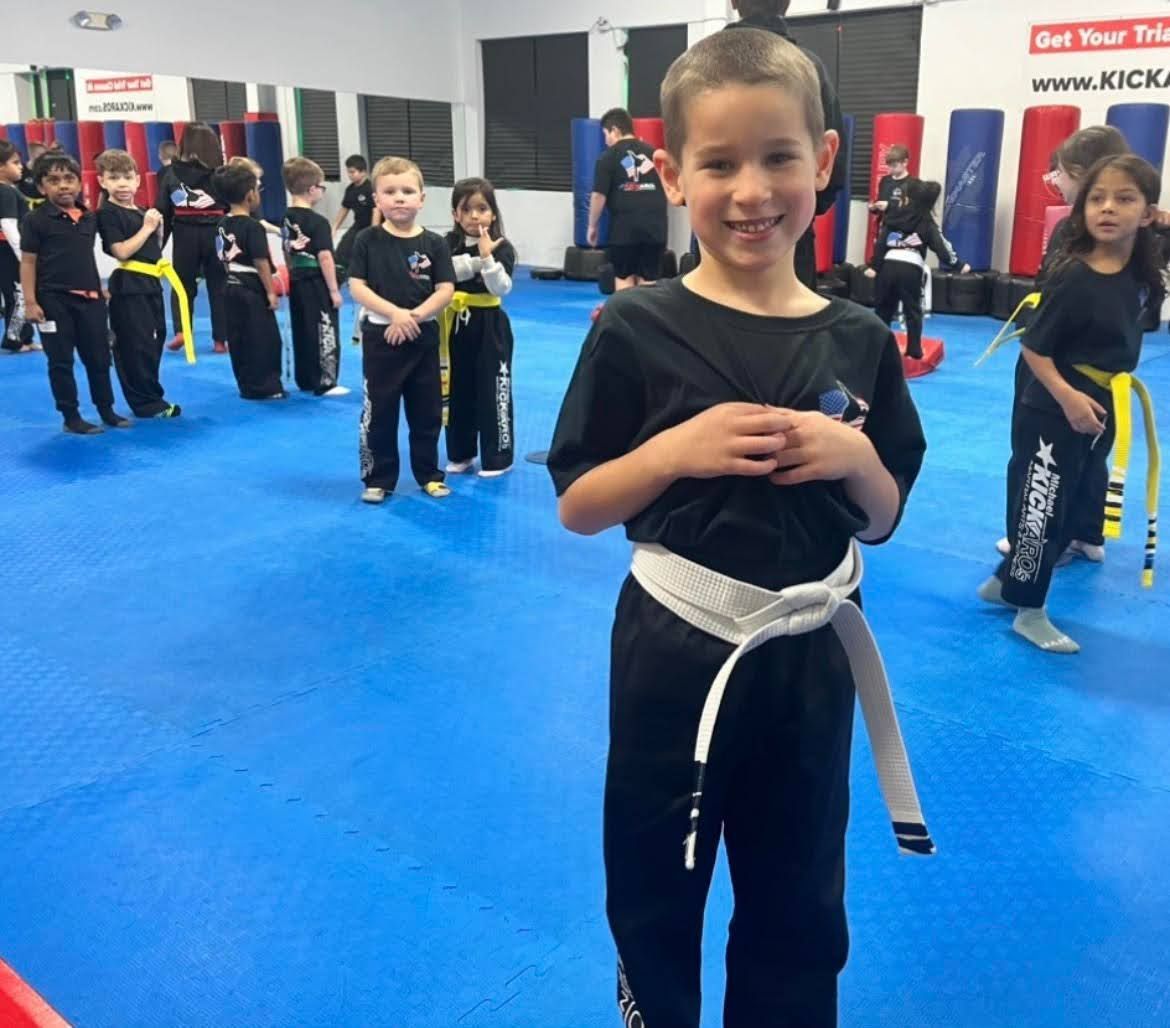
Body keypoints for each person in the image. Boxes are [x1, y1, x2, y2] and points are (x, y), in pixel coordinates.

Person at [548, 29, 930, 1028]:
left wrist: (855, 459)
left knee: (801, 897)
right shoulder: (637, 329)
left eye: (778, 157)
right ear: (673, 173)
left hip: (811, 658)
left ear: (826, 163)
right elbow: (580, 503)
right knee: (654, 884)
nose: (752, 189)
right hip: (677, 649)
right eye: (719, 162)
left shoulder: (856, 335)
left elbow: (884, 514)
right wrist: (678, 449)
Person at [978, 154, 1165, 653]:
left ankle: (1005, 582)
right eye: (1097, 198)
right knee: (1042, 506)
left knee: (1078, 498)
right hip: (1054, 402)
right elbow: (1034, 348)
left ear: (1148, 214)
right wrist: (1069, 400)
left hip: (1101, 399)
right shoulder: (1075, 276)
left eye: (1124, 199)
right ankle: (1030, 610)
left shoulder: (1141, 271)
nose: (1107, 208)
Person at [996, 125, 1132, 565]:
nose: (1057, 180)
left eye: (1062, 172)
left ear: (1081, 173)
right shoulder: (1136, 236)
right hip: (1108, 373)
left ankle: (1031, 546)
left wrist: (1059, 390)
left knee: (1036, 461)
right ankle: (1086, 533)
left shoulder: (1074, 232)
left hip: (1056, 367)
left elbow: (1041, 335)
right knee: (1091, 454)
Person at [349, 157, 455, 504]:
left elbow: (445, 289)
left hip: (422, 336)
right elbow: (357, 287)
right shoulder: (367, 240)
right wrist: (395, 314)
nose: (399, 198)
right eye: (390, 191)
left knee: (426, 412)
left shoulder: (435, 244)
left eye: (407, 191)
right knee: (381, 412)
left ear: (421, 198)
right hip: (382, 338)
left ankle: (429, 474)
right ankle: (379, 478)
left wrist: (414, 316)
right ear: (376, 199)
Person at [725, 0, 847, 289]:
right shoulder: (810, 69)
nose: (752, 195)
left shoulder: (699, 68)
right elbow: (834, 175)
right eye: (722, 164)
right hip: (791, 238)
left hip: (724, 238)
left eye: (778, 158)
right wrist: (798, 208)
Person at [20, 151, 130, 434]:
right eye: (54, 180)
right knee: (61, 361)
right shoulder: (36, 220)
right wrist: (30, 303)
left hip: (90, 300)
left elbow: (83, 257)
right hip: (53, 301)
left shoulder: (89, 218)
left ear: (80, 184)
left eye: (69, 179)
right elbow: (29, 262)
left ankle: (106, 409)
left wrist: (97, 288)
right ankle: (71, 416)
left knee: (99, 357)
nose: (63, 185)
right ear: (42, 187)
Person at [95, 148, 181, 418]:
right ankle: (146, 403)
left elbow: (153, 248)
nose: (122, 183)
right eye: (114, 177)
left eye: (127, 177)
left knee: (155, 340)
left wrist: (156, 228)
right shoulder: (108, 213)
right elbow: (121, 251)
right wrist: (146, 227)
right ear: (102, 181)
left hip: (151, 282)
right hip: (129, 285)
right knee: (136, 344)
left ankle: (151, 394)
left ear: (138, 180)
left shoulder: (143, 210)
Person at [442, 177, 517, 477]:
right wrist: (472, 261)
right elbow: (442, 272)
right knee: (456, 388)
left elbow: (501, 288)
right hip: (454, 324)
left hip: (490, 325)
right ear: (455, 214)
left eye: (482, 209)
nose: (475, 216)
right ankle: (460, 453)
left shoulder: (502, 247)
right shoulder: (446, 244)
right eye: (467, 209)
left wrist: (486, 257)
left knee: (493, 388)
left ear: (493, 213)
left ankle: (498, 456)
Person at [868, 178, 969, 359]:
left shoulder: (893, 217)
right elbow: (941, 246)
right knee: (912, 311)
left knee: (883, 309)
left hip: (888, 265)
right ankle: (914, 350)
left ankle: (876, 348)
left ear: (908, 199)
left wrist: (874, 266)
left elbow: (882, 242)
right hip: (910, 268)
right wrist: (958, 264)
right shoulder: (927, 222)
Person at [211, 162, 285, 400]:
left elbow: (221, 256)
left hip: (230, 284)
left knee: (239, 337)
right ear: (249, 195)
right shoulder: (253, 227)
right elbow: (261, 262)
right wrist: (271, 292)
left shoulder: (222, 224)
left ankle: (246, 384)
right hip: (252, 287)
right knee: (263, 338)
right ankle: (266, 386)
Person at [157, 123, 228, 354]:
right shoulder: (221, 174)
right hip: (215, 231)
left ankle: (181, 331)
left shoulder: (171, 173)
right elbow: (232, 205)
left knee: (182, 284)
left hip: (185, 233)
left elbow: (162, 212)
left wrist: (157, 247)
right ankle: (221, 339)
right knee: (219, 285)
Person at [281, 156, 346, 396]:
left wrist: (290, 273)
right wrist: (334, 290)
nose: (322, 192)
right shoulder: (317, 222)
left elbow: (286, 250)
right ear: (312, 190)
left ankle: (306, 378)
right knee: (324, 327)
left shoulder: (286, 217)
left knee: (303, 327)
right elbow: (325, 257)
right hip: (317, 280)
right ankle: (326, 381)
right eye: (321, 187)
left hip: (297, 277)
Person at [588, 108, 668, 290]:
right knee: (649, 283)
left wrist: (592, 226)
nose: (606, 140)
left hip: (623, 232)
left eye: (606, 134)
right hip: (655, 231)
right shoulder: (654, 154)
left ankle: (627, 319)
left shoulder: (607, 158)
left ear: (615, 130)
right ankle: (649, 319)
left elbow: (598, 195)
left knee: (623, 279)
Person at [334, 154, 379, 345]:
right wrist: (334, 226)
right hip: (357, 227)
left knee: (365, 256)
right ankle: (334, 286)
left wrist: (374, 231)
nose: (350, 175)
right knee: (342, 252)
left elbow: (377, 210)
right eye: (348, 172)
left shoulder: (371, 188)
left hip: (370, 227)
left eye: (353, 172)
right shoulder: (351, 190)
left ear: (362, 171)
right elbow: (344, 209)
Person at [0, 140, 36, 353]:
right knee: (18, 294)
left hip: (8, 252)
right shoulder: (5, 191)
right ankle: (14, 338)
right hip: (9, 252)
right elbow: (8, 226)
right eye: (15, 162)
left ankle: (26, 337)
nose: (21, 166)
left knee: (22, 292)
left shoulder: (10, 190)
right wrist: (23, 257)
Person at [869, 143, 912, 221]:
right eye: (889, 166)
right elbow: (881, 202)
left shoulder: (913, 184)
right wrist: (874, 207)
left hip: (902, 229)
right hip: (885, 227)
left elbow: (911, 212)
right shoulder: (885, 181)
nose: (891, 169)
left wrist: (888, 207)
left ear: (905, 162)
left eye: (894, 166)